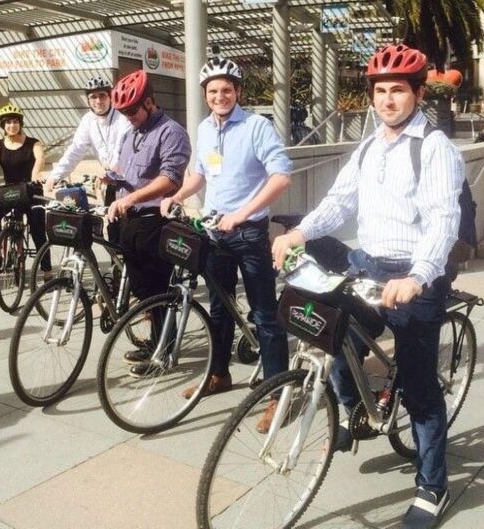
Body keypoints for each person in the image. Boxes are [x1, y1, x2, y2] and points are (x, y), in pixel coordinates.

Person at [272, 43, 464, 529]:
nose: (388, 100)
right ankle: (352, 408)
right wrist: (299, 232)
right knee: (329, 332)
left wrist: (418, 277)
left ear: (418, 93)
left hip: (415, 275)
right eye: (380, 91)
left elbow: (444, 219)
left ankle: (432, 486)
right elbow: (338, 203)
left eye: (398, 90)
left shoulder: (434, 147)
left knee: (420, 388)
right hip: (368, 264)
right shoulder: (368, 146)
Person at [160, 55, 292, 431]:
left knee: (265, 315)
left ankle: (277, 394)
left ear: (238, 92)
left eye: (227, 90)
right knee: (219, 308)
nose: (221, 96)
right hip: (214, 232)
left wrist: (243, 212)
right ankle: (218, 375)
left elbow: (281, 176)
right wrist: (176, 194)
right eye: (214, 91)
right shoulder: (204, 128)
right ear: (206, 95)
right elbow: (200, 174)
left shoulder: (256, 127)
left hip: (248, 233)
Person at [107, 69, 191, 374]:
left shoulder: (171, 132)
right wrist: (112, 177)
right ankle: (156, 340)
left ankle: (163, 354)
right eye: (124, 112)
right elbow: (127, 171)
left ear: (149, 102)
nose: (128, 117)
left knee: (157, 289)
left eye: (132, 110)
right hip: (130, 220)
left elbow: (170, 179)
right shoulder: (131, 134)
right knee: (142, 289)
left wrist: (132, 198)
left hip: (154, 219)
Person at [44, 76, 130, 242]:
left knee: (128, 227)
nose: (98, 101)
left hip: (128, 180)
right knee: (112, 225)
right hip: (110, 182)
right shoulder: (88, 120)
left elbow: (122, 150)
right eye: (93, 97)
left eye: (102, 95)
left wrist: (112, 170)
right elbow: (76, 150)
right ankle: (117, 267)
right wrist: (55, 176)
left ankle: (131, 266)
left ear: (110, 96)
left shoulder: (122, 117)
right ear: (88, 99)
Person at [0, 104, 51, 277]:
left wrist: (35, 173)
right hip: (9, 191)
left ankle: (47, 270)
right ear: (3, 125)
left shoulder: (34, 143)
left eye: (15, 122)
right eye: (8, 122)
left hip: (32, 190)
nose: (12, 125)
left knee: (38, 230)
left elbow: (40, 158)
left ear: (20, 123)